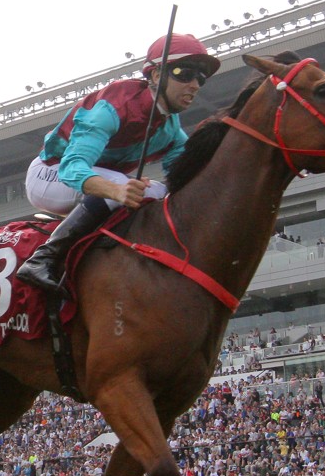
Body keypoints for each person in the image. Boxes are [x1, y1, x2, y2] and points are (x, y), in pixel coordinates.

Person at [17, 33, 219, 292]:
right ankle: (43, 258)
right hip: (50, 174)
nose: (194, 85)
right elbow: (72, 168)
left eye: (200, 78)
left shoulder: (171, 130)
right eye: (184, 73)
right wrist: (118, 190)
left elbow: (182, 184)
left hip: (96, 185)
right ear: (156, 75)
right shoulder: (112, 106)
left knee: (159, 192)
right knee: (120, 183)